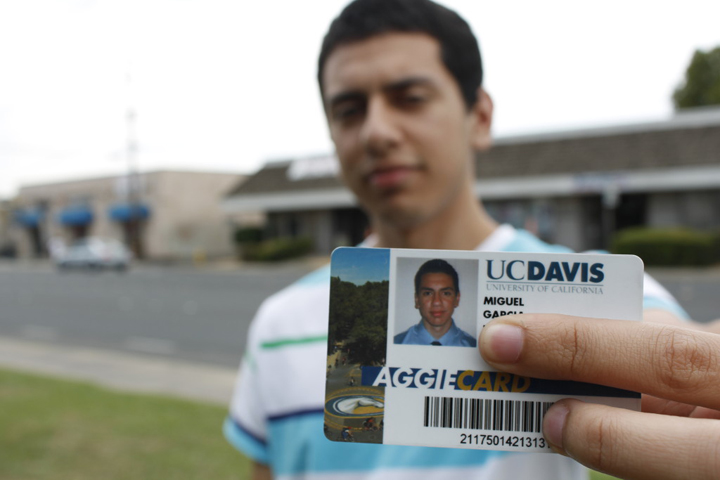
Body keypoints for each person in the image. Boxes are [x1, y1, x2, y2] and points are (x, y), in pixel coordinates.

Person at [223, 0, 689, 478]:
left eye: (410, 98)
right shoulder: (278, 326)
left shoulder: (591, 292)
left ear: (480, 116)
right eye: (348, 110)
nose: (376, 132)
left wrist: (686, 364)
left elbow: (674, 347)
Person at [394, 258, 476, 347]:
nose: (436, 302)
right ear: (417, 300)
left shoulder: (474, 347)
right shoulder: (395, 344)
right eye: (428, 293)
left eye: (446, 293)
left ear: (457, 299)